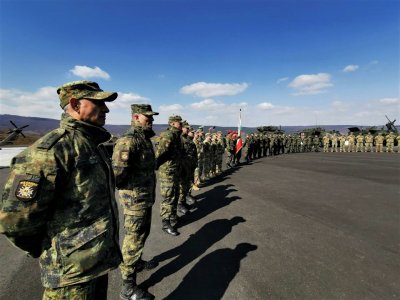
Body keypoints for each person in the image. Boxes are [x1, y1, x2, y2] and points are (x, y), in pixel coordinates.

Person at [0, 80, 121, 300]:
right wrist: (54, 250)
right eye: (98, 103)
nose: (106, 109)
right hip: (70, 275)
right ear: (75, 105)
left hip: (95, 263)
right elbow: (15, 221)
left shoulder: (92, 145)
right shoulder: (51, 151)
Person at [112, 104, 159, 300]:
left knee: (142, 233)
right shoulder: (129, 140)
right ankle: (127, 286)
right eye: (148, 117)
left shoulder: (144, 139)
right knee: (133, 239)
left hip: (144, 197)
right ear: (136, 117)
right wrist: (130, 190)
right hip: (134, 199)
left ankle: (137, 262)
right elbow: (118, 173)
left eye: (152, 116)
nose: (152, 120)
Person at [156, 115, 183, 236]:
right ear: (172, 124)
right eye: (179, 123)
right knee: (168, 197)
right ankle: (165, 223)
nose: (181, 124)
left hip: (175, 171)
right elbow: (159, 154)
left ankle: (172, 216)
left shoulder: (177, 136)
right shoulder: (168, 135)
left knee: (175, 194)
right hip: (167, 172)